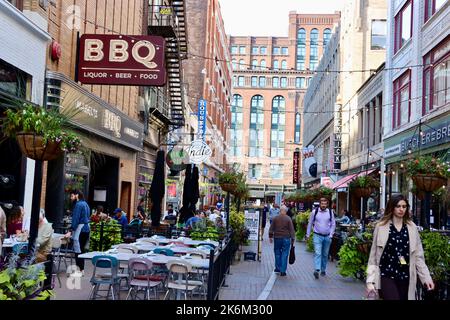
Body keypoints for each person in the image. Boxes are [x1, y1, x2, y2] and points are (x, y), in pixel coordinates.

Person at [366, 194, 434, 300]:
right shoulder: (381, 227)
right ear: (392, 207)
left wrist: (426, 278)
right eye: (398, 206)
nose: (401, 209)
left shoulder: (412, 228)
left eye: (404, 206)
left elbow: (418, 257)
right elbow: (373, 257)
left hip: (406, 276)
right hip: (386, 275)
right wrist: (370, 281)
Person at [306, 197, 336, 279]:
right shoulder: (314, 212)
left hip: (327, 236)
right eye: (322, 204)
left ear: (327, 204)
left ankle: (323, 269)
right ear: (320, 204)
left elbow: (333, 224)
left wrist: (331, 235)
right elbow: (310, 223)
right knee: (318, 253)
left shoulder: (330, 212)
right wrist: (307, 235)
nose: (323, 205)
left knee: (325, 254)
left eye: (325, 204)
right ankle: (317, 269)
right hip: (317, 235)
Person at [65, 190, 90, 274]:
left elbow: (75, 219)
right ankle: (82, 270)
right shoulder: (86, 204)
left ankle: (79, 270)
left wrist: (70, 230)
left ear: (77, 195)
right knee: (81, 250)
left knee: (78, 250)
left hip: (80, 229)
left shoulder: (78, 205)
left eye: (72, 196)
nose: (71, 198)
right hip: (86, 228)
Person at [269, 205, 295, 276]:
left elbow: (271, 228)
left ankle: (277, 268)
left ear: (280, 210)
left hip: (277, 237)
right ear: (286, 211)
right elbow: (291, 229)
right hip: (286, 238)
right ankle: (283, 271)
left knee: (277, 252)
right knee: (285, 253)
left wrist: (270, 236)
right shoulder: (288, 219)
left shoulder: (275, 218)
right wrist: (293, 238)